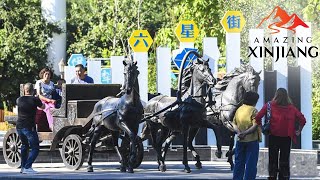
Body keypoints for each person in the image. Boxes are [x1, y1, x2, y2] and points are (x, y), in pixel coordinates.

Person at [254, 88, 306, 180]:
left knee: (272, 158)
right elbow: (302, 119)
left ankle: (272, 175)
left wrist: (262, 128)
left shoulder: (269, 105)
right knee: (284, 159)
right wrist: (299, 130)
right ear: (287, 96)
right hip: (287, 137)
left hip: (273, 136)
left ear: (276, 95)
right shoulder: (291, 108)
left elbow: (258, 117)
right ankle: (284, 176)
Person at [16, 83, 45, 174]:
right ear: (33, 90)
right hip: (29, 127)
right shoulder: (35, 99)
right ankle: (27, 167)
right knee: (35, 147)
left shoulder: (19, 99)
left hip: (19, 126)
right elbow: (43, 107)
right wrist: (38, 97)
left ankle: (23, 167)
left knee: (24, 145)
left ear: (25, 90)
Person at [232, 91, 261, 180]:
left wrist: (239, 133)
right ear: (255, 101)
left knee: (238, 162)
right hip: (252, 141)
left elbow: (234, 124)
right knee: (251, 164)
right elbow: (255, 125)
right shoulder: (253, 110)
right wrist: (245, 133)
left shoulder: (239, 109)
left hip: (240, 140)